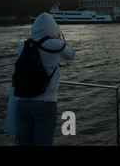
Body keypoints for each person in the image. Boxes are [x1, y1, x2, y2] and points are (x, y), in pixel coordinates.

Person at [15, 12, 75, 146]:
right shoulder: (55, 44)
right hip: (45, 100)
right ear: (54, 28)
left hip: (22, 100)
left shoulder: (23, 45)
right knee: (44, 140)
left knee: (25, 140)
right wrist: (60, 38)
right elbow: (71, 55)